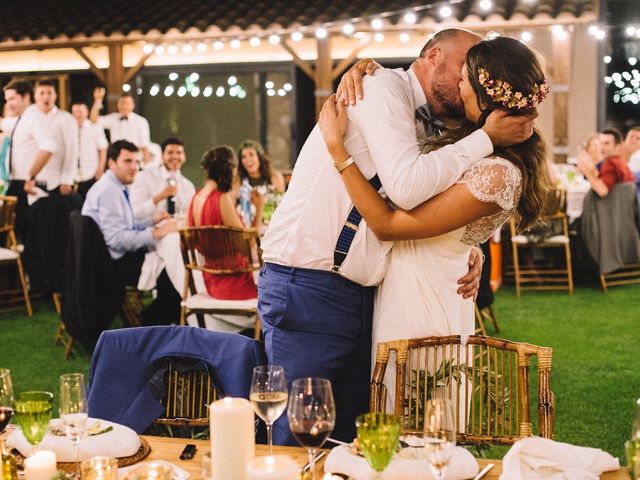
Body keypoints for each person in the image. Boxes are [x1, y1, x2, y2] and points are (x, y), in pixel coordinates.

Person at [259, 28, 536, 445]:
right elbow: (406, 187)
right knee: (298, 430)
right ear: (433, 55)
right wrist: (486, 137)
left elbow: (435, 202)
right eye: (465, 69)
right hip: (311, 285)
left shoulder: (436, 122)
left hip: (368, 292)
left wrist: (468, 244)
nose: (470, 84)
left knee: (354, 436)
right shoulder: (383, 88)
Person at [318, 36, 551, 408]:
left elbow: (389, 225)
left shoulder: (497, 173)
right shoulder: (477, 152)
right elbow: (445, 213)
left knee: (420, 424)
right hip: (413, 290)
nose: (458, 86)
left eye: (465, 81)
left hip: (424, 307)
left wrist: (338, 152)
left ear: (485, 97)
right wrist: (374, 71)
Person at [82, 140, 181, 326]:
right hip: (111, 265)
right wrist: (156, 232)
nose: (135, 167)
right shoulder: (109, 191)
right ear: (111, 163)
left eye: (137, 162)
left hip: (111, 258)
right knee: (172, 276)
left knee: (168, 265)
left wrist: (152, 220)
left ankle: (158, 325)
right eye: (128, 161)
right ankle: (149, 328)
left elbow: (126, 224)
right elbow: (117, 239)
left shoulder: (115, 186)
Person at [187, 146, 263, 333]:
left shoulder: (196, 197)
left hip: (210, 280)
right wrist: (259, 208)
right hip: (233, 284)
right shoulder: (221, 199)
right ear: (229, 169)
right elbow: (248, 247)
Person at [3, 79, 56, 241]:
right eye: (6, 100)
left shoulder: (33, 116)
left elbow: (48, 147)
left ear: (26, 97)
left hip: (27, 185)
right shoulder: (23, 117)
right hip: (18, 183)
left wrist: (31, 176)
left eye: (12, 98)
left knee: (29, 238)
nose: (9, 103)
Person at [130, 137, 196, 221]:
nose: (175, 156)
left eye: (179, 152)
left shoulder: (188, 186)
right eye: (170, 152)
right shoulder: (145, 177)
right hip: (151, 231)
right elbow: (135, 213)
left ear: (184, 157)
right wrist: (159, 197)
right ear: (161, 156)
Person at [33, 79, 78, 196]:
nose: (46, 97)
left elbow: (72, 151)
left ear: (55, 95)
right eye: (42, 93)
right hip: (33, 183)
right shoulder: (30, 119)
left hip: (57, 181)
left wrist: (67, 179)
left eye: (49, 93)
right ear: (35, 96)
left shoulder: (66, 118)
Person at [90, 88, 152, 165]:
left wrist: (147, 167)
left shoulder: (141, 121)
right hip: (116, 161)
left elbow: (144, 146)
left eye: (127, 103)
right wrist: (98, 100)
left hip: (134, 162)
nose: (124, 106)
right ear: (118, 105)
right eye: (122, 103)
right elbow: (93, 120)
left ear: (133, 105)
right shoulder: (113, 118)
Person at [578, 131, 635, 197]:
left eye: (606, 144)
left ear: (617, 147)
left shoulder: (612, 164)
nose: (602, 147)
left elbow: (602, 191)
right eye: (600, 143)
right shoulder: (618, 161)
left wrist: (586, 170)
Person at [71, 101, 108, 199]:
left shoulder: (94, 127)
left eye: (81, 111)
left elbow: (103, 149)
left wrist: (100, 169)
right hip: (72, 176)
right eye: (76, 111)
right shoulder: (68, 128)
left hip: (91, 173)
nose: (78, 114)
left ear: (87, 112)